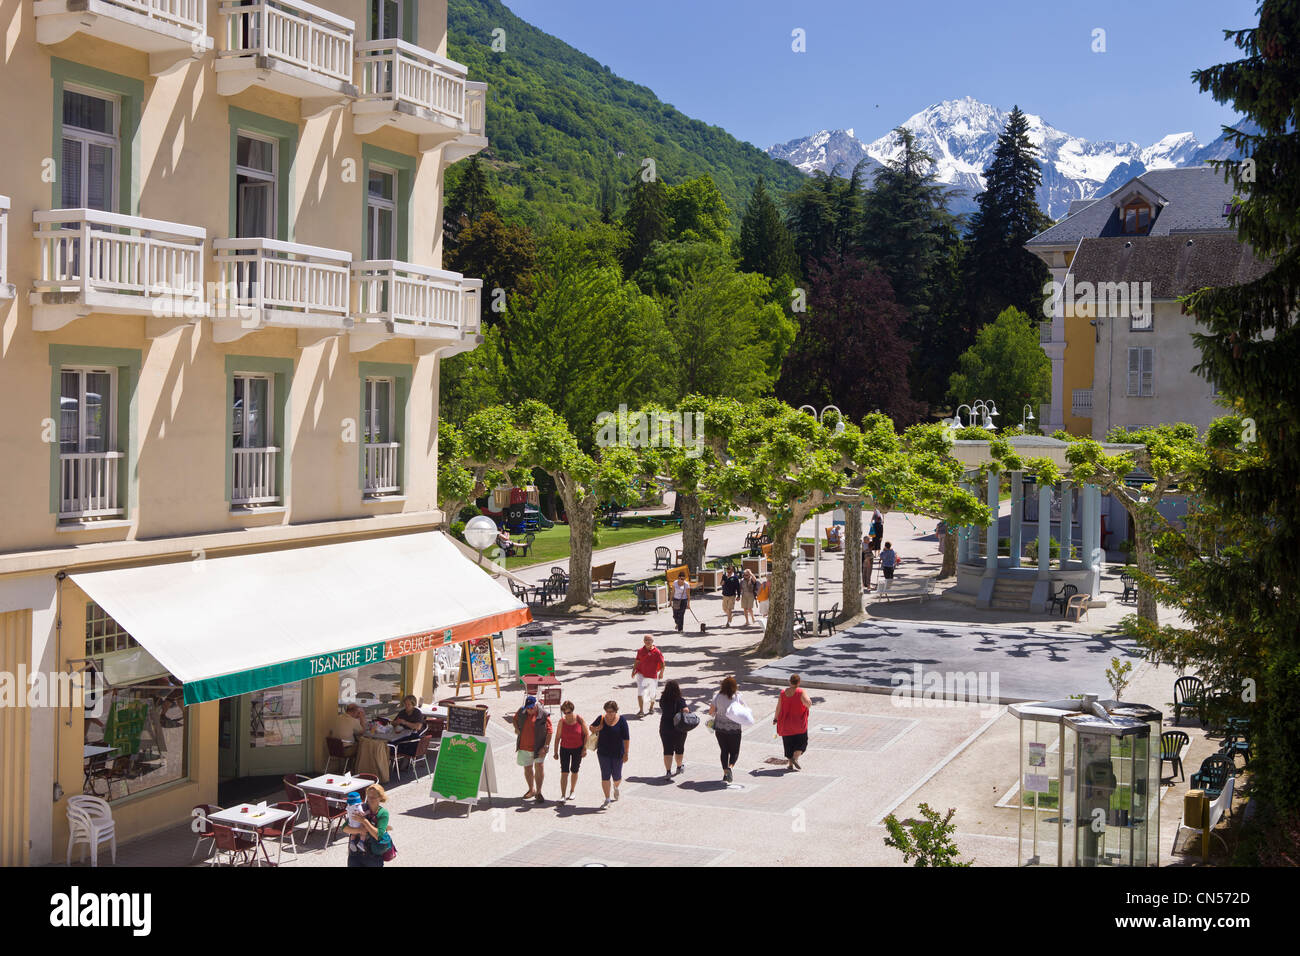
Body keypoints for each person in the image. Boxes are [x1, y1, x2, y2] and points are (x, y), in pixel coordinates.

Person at [513, 696, 552, 802]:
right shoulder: (521, 711)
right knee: (527, 769)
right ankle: (531, 790)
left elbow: (549, 731)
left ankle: (539, 792)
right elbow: (514, 719)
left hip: (539, 748)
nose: (529, 710)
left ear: (536, 705)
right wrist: (516, 729)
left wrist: (546, 747)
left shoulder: (543, 714)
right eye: (528, 708)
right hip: (524, 747)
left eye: (531, 707)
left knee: (539, 767)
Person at [592, 700, 630, 808]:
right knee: (605, 776)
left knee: (617, 776)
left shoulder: (622, 720)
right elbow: (591, 727)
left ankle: (616, 787)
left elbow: (626, 738)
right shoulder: (601, 718)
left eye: (611, 711)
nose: (609, 713)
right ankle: (607, 799)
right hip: (603, 753)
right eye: (607, 711)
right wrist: (597, 728)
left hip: (618, 753)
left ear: (615, 711)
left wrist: (626, 753)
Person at [343, 783, 391, 868]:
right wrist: (360, 831)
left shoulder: (383, 813)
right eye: (368, 797)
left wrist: (364, 821)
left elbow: (378, 835)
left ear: (380, 797)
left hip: (372, 857)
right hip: (355, 854)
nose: (370, 799)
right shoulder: (360, 808)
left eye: (373, 797)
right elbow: (345, 828)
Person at [708, 675, 745, 783]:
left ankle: (725, 772)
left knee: (724, 750)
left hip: (720, 728)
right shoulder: (738, 696)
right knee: (734, 751)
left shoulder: (717, 696)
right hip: (735, 728)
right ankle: (730, 768)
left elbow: (711, 712)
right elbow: (743, 710)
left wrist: (717, 712)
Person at [551, 700, 589, 801]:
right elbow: (557, 737)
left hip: (578, 748)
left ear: (572, 710)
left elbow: (586, 734)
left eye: (569, 712)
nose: (567, 714)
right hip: (564, 749)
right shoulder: (562, 722)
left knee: (574, 770)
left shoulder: (579, 719)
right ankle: (563, 795)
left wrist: (585, 749)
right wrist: (555, 752)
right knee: (564, 772)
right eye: (565, 712)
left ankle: (572, 791)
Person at [774, 674, 812, 771]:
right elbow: (808, 703)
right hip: (798, 723)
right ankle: (795, 759)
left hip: (785, 723)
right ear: (799, 682)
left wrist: (775, 719)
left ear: (790, 682)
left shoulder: (783, 693)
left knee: (789, 744)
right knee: (801, 743)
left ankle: (790, 764)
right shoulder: (800, 692)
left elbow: (778, 707)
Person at [658, 680, 690, 779]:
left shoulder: (662, 699)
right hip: (679, 728)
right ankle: (679, 767)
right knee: (679, 748)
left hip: (665, 727)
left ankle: (668, 772)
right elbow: (686, 711)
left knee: (667, 749)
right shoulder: (680, 700)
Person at [632, 634, 665, 716]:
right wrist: (633, 670)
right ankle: (641, 711)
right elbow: (637, 661)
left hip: (652, 675)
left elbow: (662, 663)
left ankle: (651, 707)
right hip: (641, 673)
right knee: (640, 692)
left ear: (652, 641)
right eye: (646, 640)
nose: (647, 641)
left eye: (649, 640)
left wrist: (661, 673)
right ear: (644, 641)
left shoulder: (657, 652)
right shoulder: (640, 651)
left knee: (652, 694)